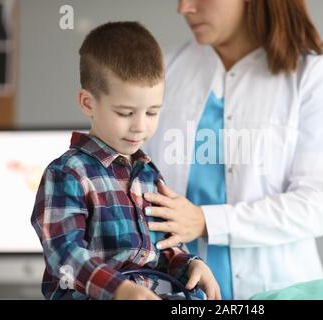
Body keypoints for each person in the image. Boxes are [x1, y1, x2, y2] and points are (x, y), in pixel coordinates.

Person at [143, 0, 323, 300]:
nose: (184, 8)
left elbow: (316, 206)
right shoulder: (164, 69)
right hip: (177, 292)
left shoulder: (312, 74)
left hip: (281, 289)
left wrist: (205, 221)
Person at [30, 21, 220, 300]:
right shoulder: (67, 174)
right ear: (88, 103)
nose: (140, 127)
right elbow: (65, 255)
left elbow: (164, 247)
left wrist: (191, 265)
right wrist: (119, 290)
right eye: (125, 113)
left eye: (152, 112)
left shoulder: (149, 175)